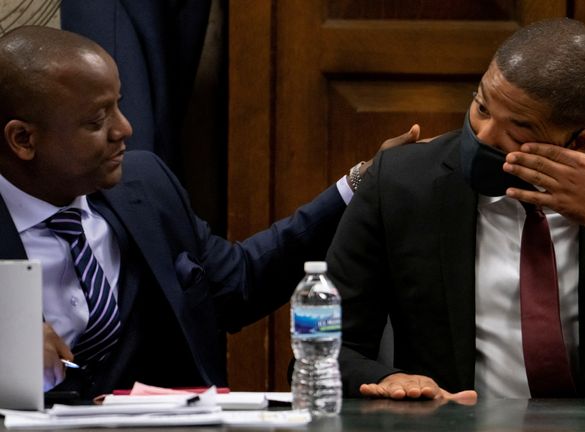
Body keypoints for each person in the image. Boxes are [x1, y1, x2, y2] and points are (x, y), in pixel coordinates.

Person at [326, 17, 585, 401]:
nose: (482, 136)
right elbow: (326, 350)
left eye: (517, 132)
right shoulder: (403, 182)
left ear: (580, 141)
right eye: (481, 107)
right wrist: (394, 378)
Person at [0, 25, 418, 398]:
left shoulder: (144, 185)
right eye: (96, 121)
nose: (123, 129)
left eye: (118, 106)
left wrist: (359, 183)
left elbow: (239, 281)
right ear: (23, 139)